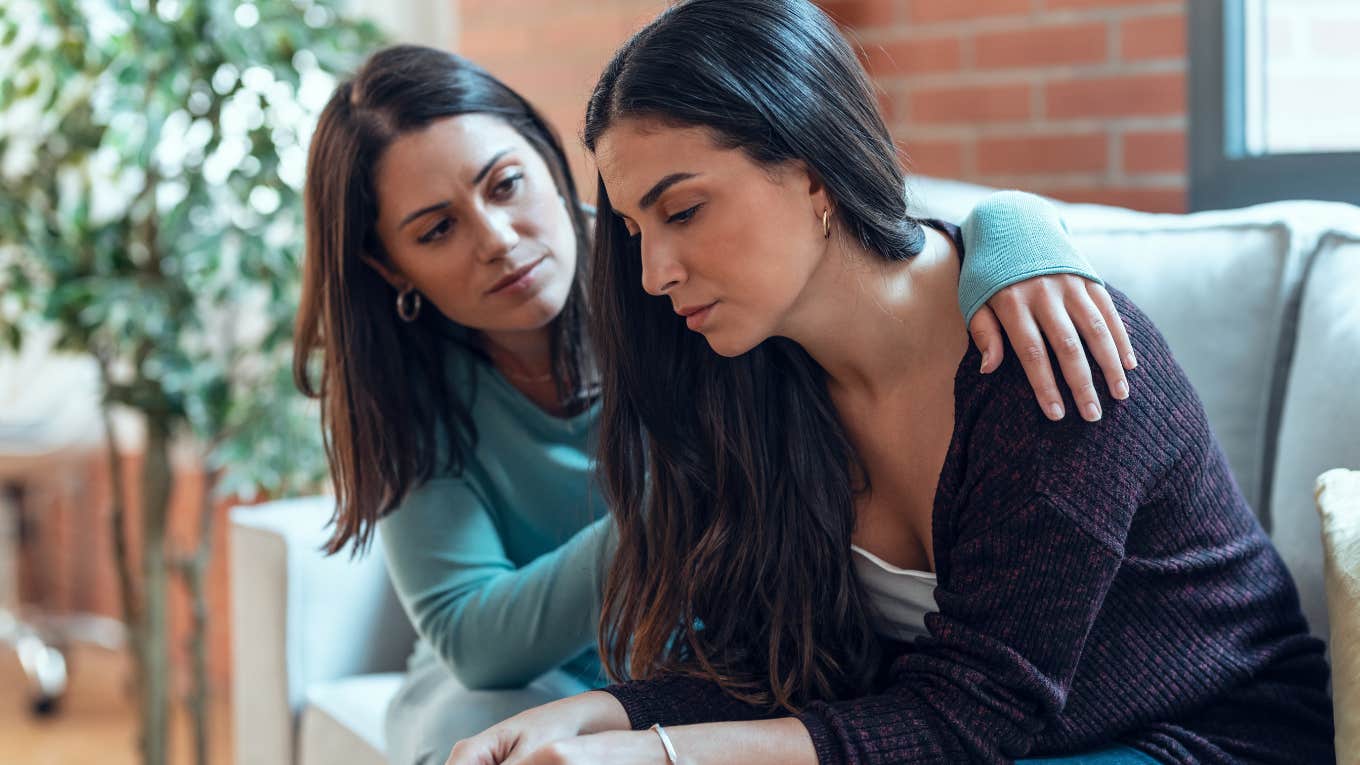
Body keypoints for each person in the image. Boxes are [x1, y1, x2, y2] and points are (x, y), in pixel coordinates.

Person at [441, 2, 1335, 764]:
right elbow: (772, 672)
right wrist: (601, 714)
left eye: (684, 210)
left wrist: (661, 752)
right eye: (636, 229)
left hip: (1203, 735)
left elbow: (975, 711)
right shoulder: (763, 382)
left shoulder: (1046, 357)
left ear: (813, 172)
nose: (654, 272)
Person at [293, 43, 1137, 765]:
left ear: (549, 164)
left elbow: (870, 243)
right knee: (474, 725)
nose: (499, 238)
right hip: (561, 669)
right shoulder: (414, 390)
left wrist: (1021, 234)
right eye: (437, 229)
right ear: (390, 268)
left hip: (709, 643)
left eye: (506, 184)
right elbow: (478, 643)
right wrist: (689, 490)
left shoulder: (686, 283)